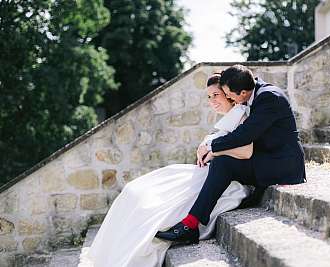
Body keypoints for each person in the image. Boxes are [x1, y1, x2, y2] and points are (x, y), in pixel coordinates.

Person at [78, 74, 253, 267]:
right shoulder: (227, 120)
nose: (212, 101)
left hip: (220, 177)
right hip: (205, 172)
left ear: (229, 94)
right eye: (209, 97)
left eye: (216, 95)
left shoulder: (241, 116)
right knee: (134, 190)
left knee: (148, 203)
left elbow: (244, 151)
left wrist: (212, 150)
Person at [156, 64, 306, 245]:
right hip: (266, 157)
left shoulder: (268, 97)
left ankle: (190, 225)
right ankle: (190, 224)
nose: (228, 97)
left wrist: (211, 146)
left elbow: (244, 136)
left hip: (283, 165)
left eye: (228, 94)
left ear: (242, 93)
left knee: (222, 162)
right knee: (221, 163)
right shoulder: (253, 95)